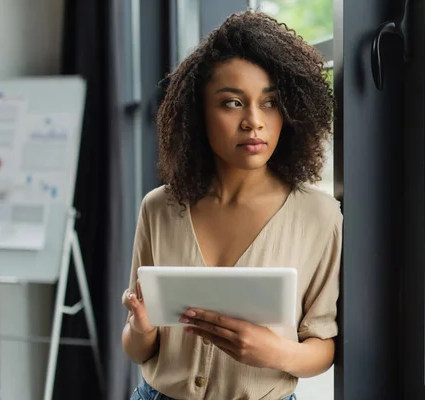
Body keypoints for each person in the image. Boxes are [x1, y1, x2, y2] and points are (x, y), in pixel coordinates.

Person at [121, 10, 342, 400]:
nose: (253, 122)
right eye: (232, 103)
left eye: (270, 102)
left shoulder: (319, 216)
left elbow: (322, 345)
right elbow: (138, 348)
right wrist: (141, 328)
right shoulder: (158, 208)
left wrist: (275, 352)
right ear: (198, 115)